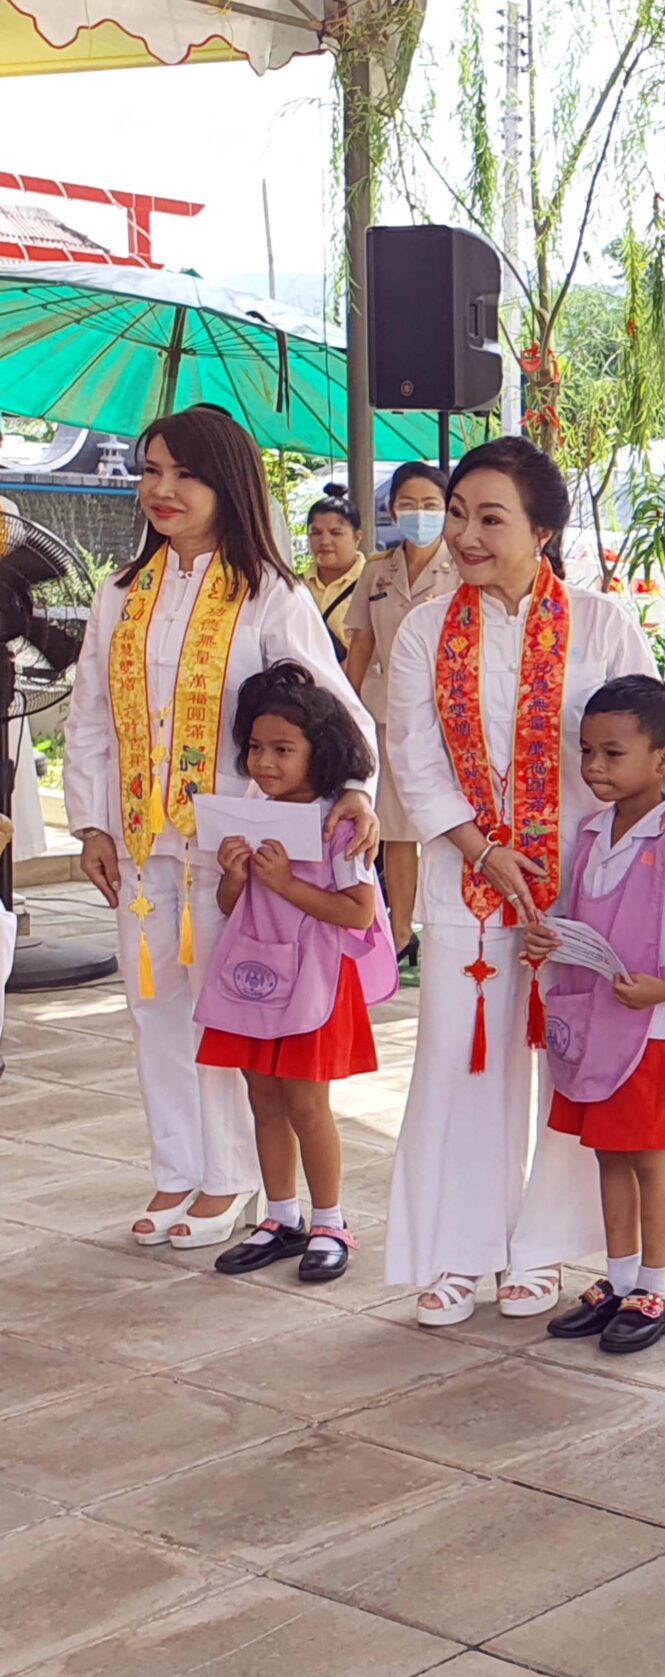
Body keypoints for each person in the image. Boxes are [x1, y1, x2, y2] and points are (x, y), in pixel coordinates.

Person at [384, 436, 665, 1328]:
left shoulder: (601, 622)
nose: (466, 535)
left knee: (584, 1068)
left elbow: (653, 728)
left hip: (592, 894)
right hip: (471, 882)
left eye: (492, 518)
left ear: (544, 529)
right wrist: (484, 850)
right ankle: (458, 1249)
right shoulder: (423, 628)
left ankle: (541, 1250)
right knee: (463, 1057)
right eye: (458, 514)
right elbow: (414, 759)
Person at [61, 405, 378, 1253]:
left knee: (224, 1013)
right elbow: (92, 716)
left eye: (184, 474)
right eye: (150, 470)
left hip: (236, 851)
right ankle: (178, 1166)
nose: (161, 490)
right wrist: (90, 824)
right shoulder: (120, 593)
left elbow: (333, 710)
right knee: (152, 1005)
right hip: (138, 841)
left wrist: (352, 789)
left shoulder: (269, 595)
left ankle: (233, 1175)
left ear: (226, 484)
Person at [527, 674, 665, 1356]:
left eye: (612, 754)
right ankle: (617, 1280)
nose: (593, 767)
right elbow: (578, 917)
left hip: (650, 1026)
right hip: (597, 1019)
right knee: (607, 1152)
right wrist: (546, 937)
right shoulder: (591, 832)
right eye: (587, 751)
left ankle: (656, 1284)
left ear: (664, 758)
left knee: (646, 1154)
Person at [196, 663, 395, 1283]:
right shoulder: (253, 813)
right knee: (262, 1096)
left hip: (314, 980)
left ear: (322, 752)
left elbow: (358, 911)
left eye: (283, 750)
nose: (264, 763)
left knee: (308, 1102)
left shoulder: (343, 826)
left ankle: (330, 1219)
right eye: (256, 748)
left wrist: (284, 882)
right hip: (254, 973)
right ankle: (281, 1215)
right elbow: (236, 908)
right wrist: (235, 876)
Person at [343, 462, 459, 958]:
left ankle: (448, 924)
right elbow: (361, 644)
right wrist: (344, 708)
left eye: (431, 505)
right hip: (385, 711)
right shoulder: (377, 569)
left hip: (450, 714)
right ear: (392, 510)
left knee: (446, 823)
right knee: (395, 827)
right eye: (409, 505)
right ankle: (401, 930)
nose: (419, 515)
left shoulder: (462, 565)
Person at [299, 485, 367, 662]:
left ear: (357, 538)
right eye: (316, 533)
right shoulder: (294, 586)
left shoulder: (374, 586)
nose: (325, 541)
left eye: (336, 533)